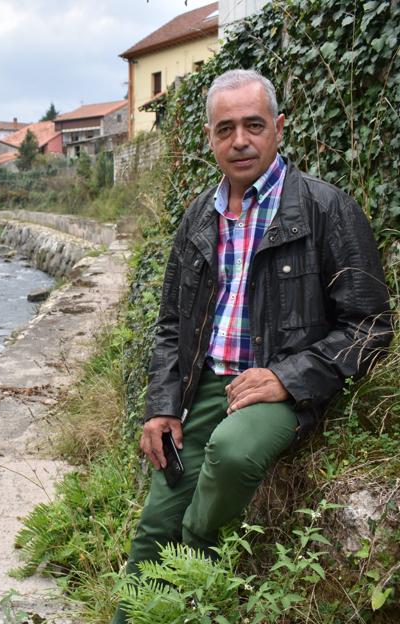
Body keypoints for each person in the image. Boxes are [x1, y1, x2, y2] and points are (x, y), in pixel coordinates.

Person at [111, 69, 391, 623]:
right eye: (226, 129)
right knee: (153, 523)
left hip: (282, 385)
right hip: (205, 384)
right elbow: (172, 325)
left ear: (279, 129)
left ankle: (195, 566)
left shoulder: (326, 209)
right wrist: (163, 404)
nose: (240, 140)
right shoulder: (198, 217)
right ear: (210, 138)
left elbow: (370, 325)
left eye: (254, 125)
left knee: (231, 454)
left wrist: (288, 377)